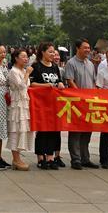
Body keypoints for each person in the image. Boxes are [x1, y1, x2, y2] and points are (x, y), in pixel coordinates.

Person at [29, 42, 66, 170]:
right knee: (43, 131)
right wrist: (45, 86)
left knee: (53, 130)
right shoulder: (36, 66)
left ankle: (50, 157)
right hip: (41, 104)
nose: (52, 54)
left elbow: (59, 81)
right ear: (42, 52)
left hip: (54, 104)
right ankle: (40, 157)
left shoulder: (55, 67)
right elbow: (31, 84)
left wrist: (60, 84)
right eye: (50, 52)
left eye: (53, 52)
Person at [63, 39, 98, 170]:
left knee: (87, 132)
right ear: (78, 48)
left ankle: (85, 158)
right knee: (76, 132)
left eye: (89, 48)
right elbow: (70, 81)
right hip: (76, 103)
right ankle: (75, 159)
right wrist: (81, 96)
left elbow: (94, 82)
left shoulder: (90, 64)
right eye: (85, 48)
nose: (88, 50)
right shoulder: (71, 63)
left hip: (89, 103)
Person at [6, 48, 34, 171]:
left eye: (26, 56)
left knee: (23, 129)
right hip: (16, 103)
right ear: (16, 58)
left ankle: (18, 158)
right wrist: (27, 73)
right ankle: (16, 159)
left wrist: (26, 72)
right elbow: (21, 85)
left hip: (24, 102)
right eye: (23, 56)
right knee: (16, 129)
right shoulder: (13, 71)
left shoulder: (22, 70)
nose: (26, 58)